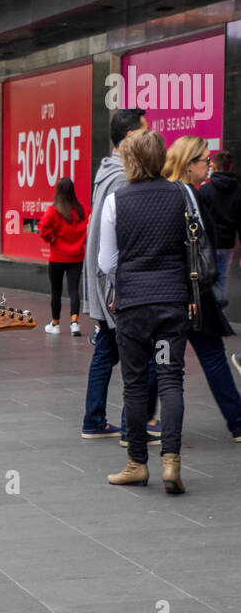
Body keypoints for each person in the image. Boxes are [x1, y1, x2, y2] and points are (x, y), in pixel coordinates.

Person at [99, 129, 191, 493]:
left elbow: (107, 261)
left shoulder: (115, 201)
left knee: (135, 385)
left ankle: (137, 463)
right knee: (170, 379)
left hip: (133, 306)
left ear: (129, 159)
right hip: (171, 302)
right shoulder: (181, 195)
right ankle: (171, 462)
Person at [80, 108, 161, 443]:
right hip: (115, 283)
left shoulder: (108, 172)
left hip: (105, 280)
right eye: (145, 131)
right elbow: (116, 239)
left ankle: (95, 420)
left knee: (107, 350)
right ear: (131, 137)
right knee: (145, 356)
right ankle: (132, 426)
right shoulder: (120, 177)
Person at [163, 136, 241, 443]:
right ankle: (237, 420)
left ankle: (139, 424)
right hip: (189, 292)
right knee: (201, 357)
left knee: (166, 360)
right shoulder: (182, 195)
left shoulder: (189, 192)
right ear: (188, 163)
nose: (208, 165)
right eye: (203, 161)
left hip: (189, 291)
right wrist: (189, 289)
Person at [40, 177, 89, 335]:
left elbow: (43, 229)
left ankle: (55, 324)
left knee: (56, 291)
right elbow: (91, 225)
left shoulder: (54, 210)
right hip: (76, 257)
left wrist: (52, 238)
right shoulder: (83, 210)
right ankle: (74, 323)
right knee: (74, 290)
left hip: (57, 257)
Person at [199, 150, 241, 300]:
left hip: (208, 244)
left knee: (206, 280)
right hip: (227, 244)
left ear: (214, 167)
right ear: (230, 167)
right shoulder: (237, 192)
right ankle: (219, 313)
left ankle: (209, 315)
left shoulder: (204, 190)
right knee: (222, 280)